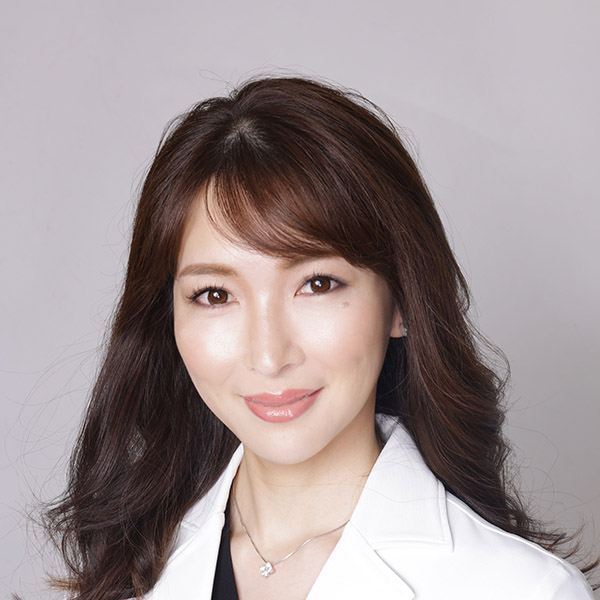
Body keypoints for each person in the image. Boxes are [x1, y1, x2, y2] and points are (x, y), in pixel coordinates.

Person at [45, 76, 597, 600]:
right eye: (215, 294)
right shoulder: (127, 573)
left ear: (401, 302)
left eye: (317, 284)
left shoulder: (523, 590)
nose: (268, 355)